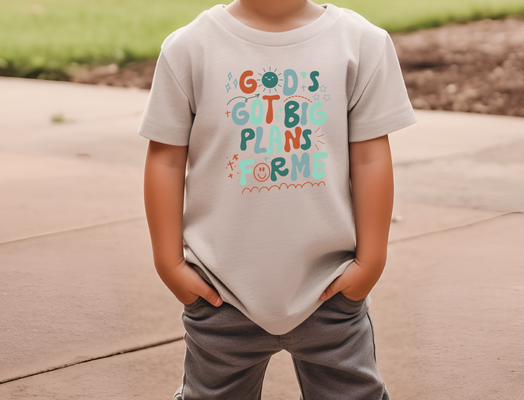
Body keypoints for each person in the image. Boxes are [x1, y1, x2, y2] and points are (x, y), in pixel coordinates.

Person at [139, 0, 417, 398]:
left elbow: (371, 157)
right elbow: (165, 159)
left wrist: (371, 261)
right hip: (219, 291)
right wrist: (169, 263)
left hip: (330, 289)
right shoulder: (189, 48)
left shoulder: (361, 44)